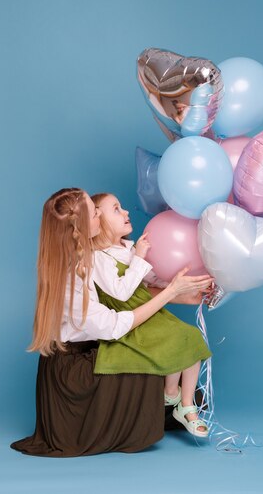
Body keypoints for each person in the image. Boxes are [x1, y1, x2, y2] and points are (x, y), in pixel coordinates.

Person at [11, 188, 212, 457]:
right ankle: (171, 403)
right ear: (83, 225)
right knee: (150, 358)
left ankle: (176, 402)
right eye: (95, 213)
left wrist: (183, 295)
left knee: (170, 348)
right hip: (74, 369)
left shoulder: (92, 255)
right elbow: (115, 323)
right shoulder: (78, 271)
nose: (100, 215)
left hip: (96, 341)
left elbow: (135, 293)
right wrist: (170, 292)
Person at [91, 192, 212, 438]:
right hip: (130, 317)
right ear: (98, 221)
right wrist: (139, 256)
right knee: (174, 338)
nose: (125, 212)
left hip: (150, 310)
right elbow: (122, 292)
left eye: (122, 206)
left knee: (189, 335)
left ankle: (186, 405)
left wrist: (186, 284)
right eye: (116, 209)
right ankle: (171, 394)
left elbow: (150, 280)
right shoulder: (98, 256)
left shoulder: (128, 246)